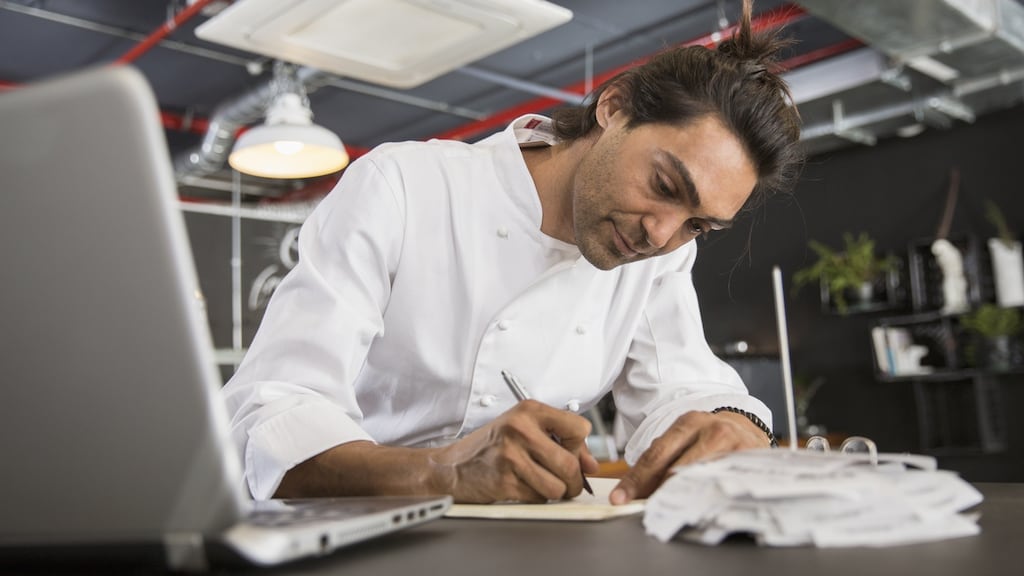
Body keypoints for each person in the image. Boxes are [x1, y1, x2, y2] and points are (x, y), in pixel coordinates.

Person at [222, 0, 802, 506]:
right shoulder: (403, 185)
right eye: (664, 185)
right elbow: (274, 413)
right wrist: (445, 473)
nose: (660, 234)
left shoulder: (659, 252)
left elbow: (681, 387)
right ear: (614, 108)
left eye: (698, 225)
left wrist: (733, 425)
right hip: (356, 530)